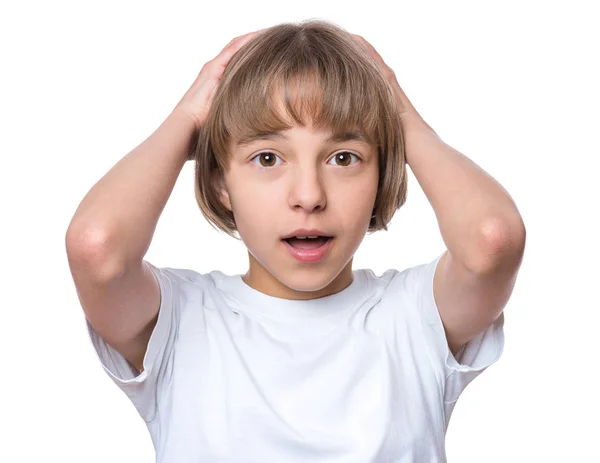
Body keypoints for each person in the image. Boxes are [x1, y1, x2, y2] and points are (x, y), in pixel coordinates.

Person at [66, 19, 524, 463]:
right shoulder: (180, 321)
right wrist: (188, 117)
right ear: (221, 182)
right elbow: (97, 248)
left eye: (344, 157)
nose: (309, 196)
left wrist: (400, 117)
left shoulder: (414, 318)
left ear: (382, 173)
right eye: (268, 158)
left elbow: (492, 239)